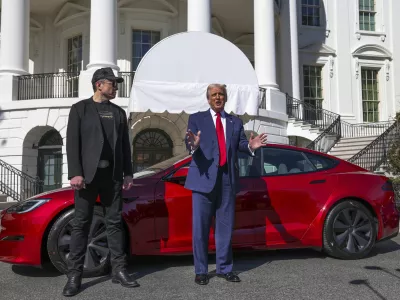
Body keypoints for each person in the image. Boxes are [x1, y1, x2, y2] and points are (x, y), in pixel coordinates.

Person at [63, 67, 139, 297]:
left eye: (116, 84)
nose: (115, 87)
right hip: (86, 177)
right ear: (99, 85)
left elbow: (125, 146)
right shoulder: (80, 109)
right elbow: (72, 143)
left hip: (113, 176)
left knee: (114, 223)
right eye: (112, 83)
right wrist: (75, 172)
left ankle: (119, 270)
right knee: (81, 224)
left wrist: (128, 172)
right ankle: (74, 275)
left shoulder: (117, 112)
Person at [184, 83, 268, 285]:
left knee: (225, 227)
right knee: (201, 229)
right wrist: (193, 145)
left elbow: (240, 144)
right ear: (208, 98)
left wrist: (250, 146)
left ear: (225, 98)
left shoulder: (235, 122)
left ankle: (224, 268)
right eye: (214, 94)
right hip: (203, 180)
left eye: (221, 94)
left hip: (227, 181)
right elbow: (190, 143)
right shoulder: (196, 118)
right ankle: (201, 271)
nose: (218, 97)